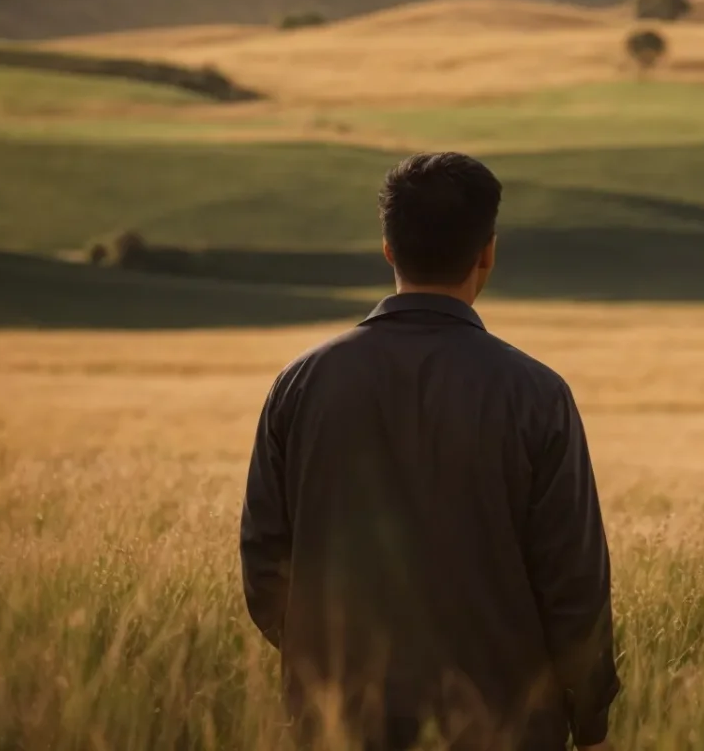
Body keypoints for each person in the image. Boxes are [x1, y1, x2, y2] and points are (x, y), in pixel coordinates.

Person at [241, 152, 617, 750]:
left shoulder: (301, 384)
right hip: (507, 728)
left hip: (339, 723)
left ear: (388, 249)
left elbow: (265, 564)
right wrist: (590, 719)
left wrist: (328, 671)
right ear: (487, 252)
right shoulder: (538, 394)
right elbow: (574, 582)